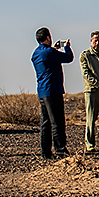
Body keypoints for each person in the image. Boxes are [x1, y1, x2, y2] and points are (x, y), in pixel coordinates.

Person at [32, 27, 74, 159]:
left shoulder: (36, 53)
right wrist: (67, 47)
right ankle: (60, 149)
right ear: (48, 37)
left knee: (45, 122)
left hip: (42, 91)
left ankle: (45, 151)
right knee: (57, 122)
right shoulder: (49, 52)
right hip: (53, 90)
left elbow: (47, 58)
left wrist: (54, 49)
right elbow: (69, 58)